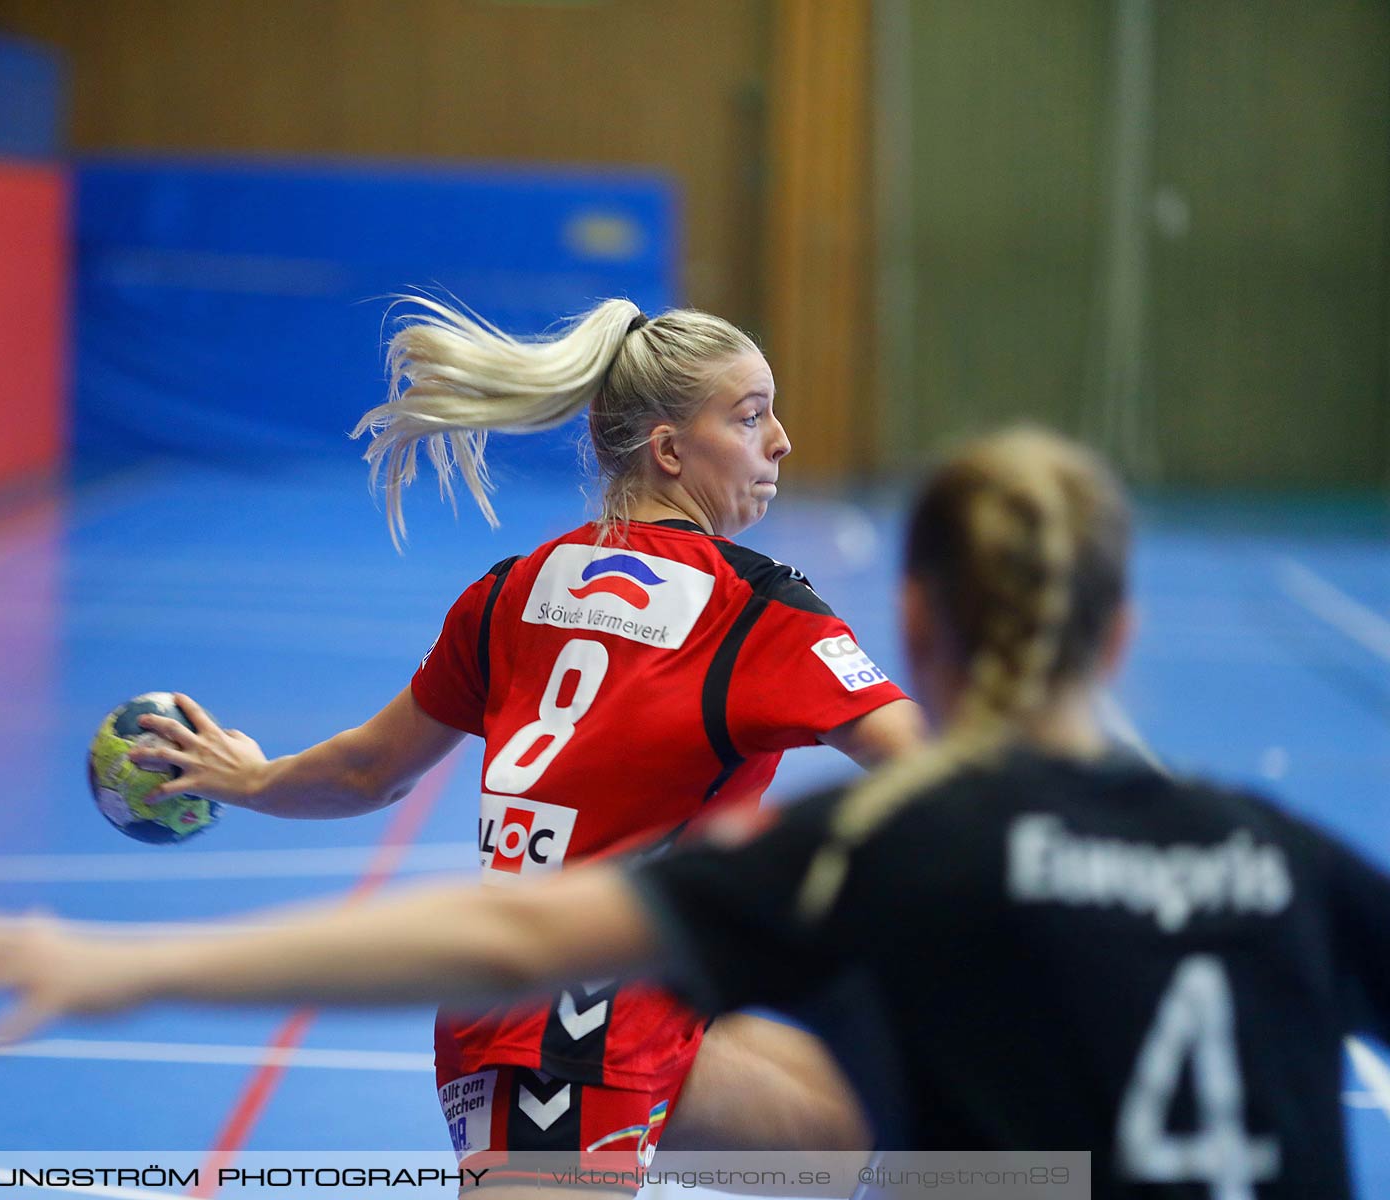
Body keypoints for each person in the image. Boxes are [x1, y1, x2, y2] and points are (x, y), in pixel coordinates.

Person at [0, 428, 1390, 1199]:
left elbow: (507, 923)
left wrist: (136, 968)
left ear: (915, 622)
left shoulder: (886, 851)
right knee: (837, 1117)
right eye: (756, 417)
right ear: (1124, 642)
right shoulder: (1291, 860)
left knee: (829, 1100)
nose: (785, 444)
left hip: (562, 1019)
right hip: (586, 1041)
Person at [93, 297, 921, 1184]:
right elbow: (933, 772)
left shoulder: (512, 589)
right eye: (751, 417)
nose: (782, 440)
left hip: (632, 999)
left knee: (885, 1134)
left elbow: (369, 769)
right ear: (670, 451)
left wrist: (252, 777)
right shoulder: (754, 609)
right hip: (560, 1049)